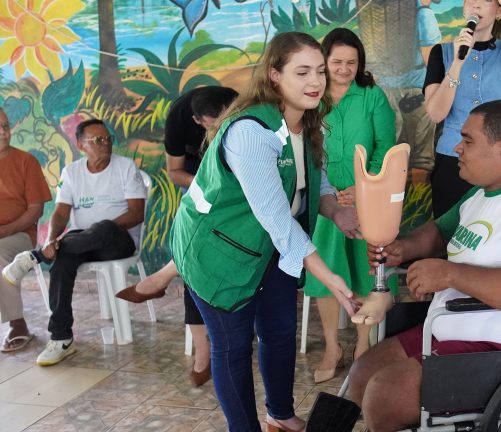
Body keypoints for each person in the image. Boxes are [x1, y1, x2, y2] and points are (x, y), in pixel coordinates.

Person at [347, 100, 501, 431]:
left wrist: (449, 273)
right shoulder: (479, 196)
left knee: (386, 396)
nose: (457, 147)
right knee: (361, 376)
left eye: (468, 140)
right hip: (450, 329)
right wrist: (402, 249)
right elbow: (439, 232)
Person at [168, 32, 360, 432]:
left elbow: (315, 181)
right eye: (302, 71)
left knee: (278, 330)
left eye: (320, 71)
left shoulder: (306, 121)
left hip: (268, 247)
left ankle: (281, 414)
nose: (316, 81)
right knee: (233, 346)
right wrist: (331, 279)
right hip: (217, 251)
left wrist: (337, 213)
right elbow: (278, 220)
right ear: (274, 75)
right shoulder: (250, 133)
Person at [116, 86, 238, 387]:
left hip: (240, 188)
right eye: (213, 126)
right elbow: (174, 172)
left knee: (197, 251)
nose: (219, 130)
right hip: (200, 183)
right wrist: (209, 185)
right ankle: (203, 346)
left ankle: (161, 278)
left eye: (224, 122)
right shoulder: (179, 119)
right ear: (198, 121)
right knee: (197, 252)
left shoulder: (242, 110)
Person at [2, 119, 147, 366]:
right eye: (97, 140)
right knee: (61, 261)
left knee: (104, 227)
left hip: (118, 242)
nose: (105, 144)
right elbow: (60, 213)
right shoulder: (72, 172)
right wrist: (51, 240)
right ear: (81, 145)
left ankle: (36, 256)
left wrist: (103, 229)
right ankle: (61, 338)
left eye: (107, 138)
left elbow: (136, 213)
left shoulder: (125, 167)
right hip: (81, 243)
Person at [303, 28, 397, 384]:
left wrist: (361, 189)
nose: (344, 69)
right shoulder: (313, 95)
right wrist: (330, 194)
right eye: (337, 62)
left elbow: (385, 146)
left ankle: (363, 344)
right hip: (323, 200)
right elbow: (306, 146)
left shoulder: (372, 96)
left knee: (363, 269)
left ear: (361, 64)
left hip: (367, 198)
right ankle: (331, 346)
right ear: (324, 62)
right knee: (325, 271)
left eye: (351, 62)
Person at [424, 0, 501, 217]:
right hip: (453, 161)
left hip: (500, 163)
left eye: (487, 0)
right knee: (448, 238)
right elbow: (435, 113)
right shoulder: (441, 53)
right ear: (463, 8)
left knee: (495, 236)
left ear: (499, 11)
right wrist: (457, 63)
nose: (476, 5)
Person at [0, 108, 52, 353]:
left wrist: (7, 229)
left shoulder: (25, 161)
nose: (3, 132)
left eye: (5, 125)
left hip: (19, 235)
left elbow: (36, 209)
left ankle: (17, 324)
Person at [376, 0, 443, 185]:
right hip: (415, 88)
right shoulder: (423, 13)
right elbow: (432, 52)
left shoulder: (389, 13)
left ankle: (397, 197)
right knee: (420, 152)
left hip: (388, 87)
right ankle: (415, 200)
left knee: (392, 147)